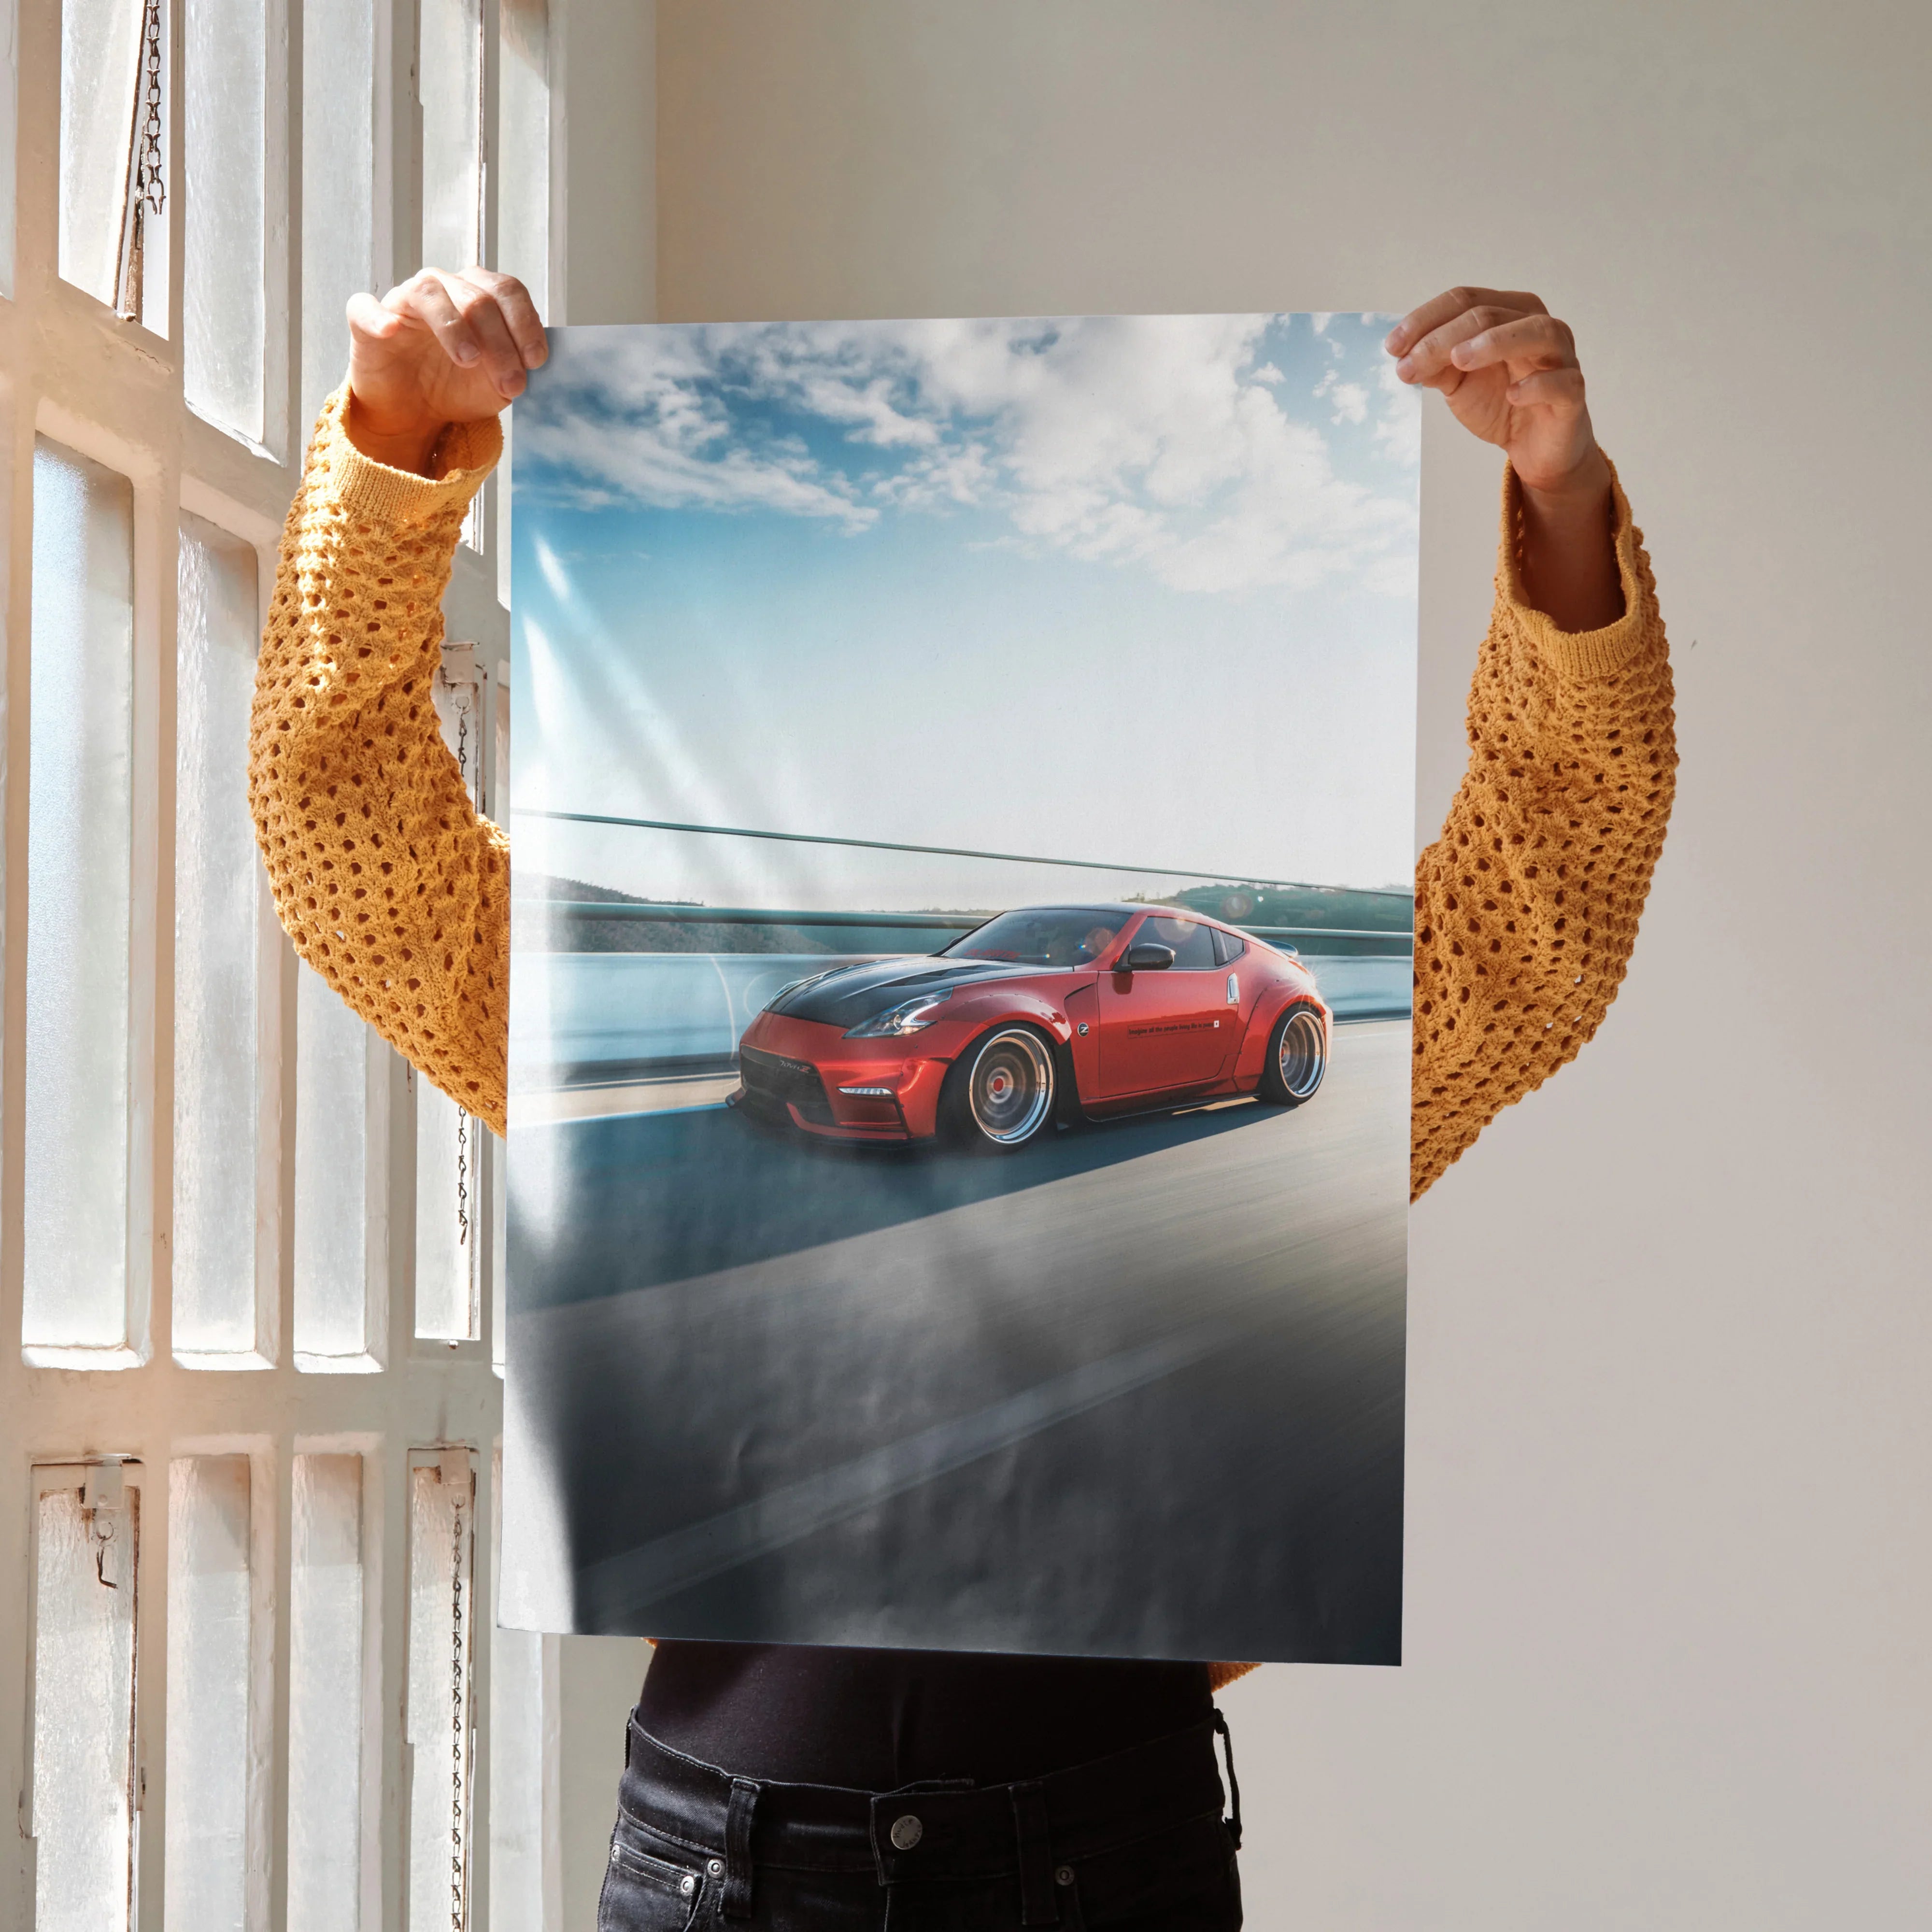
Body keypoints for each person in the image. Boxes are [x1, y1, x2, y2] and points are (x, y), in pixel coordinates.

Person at [249, 270, 1675, 1930]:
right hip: (726, 1862)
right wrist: (392, 446)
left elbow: (1546, 907)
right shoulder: (621, 1032)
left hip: (1100, 1854)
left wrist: (1561, 499)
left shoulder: (1281, 1067)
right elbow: (347, 843)